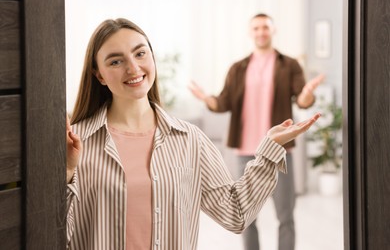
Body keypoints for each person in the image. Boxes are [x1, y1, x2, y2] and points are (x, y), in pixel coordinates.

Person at [66, 17, 320, 250]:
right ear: (98, 74)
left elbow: (235, 213)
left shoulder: (190, 140)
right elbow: (50, 234)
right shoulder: (74, 144)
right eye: (116, 61)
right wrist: (66, 174)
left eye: (140, 53)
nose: (133, 68)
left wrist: (269, 149)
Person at [189, 13, 324, 250]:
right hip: (245, 151)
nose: (261, 32)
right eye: (256, 28)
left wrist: (307, 93)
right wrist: (206, 99)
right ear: (250, 32)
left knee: (285, 215)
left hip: (278, 151)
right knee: (246, 217)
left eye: (265, 27)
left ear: (273, 31)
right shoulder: (238, 68)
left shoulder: (289, 64)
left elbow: (302, 99)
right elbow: (223, 103)